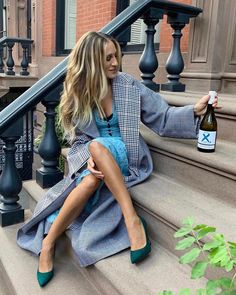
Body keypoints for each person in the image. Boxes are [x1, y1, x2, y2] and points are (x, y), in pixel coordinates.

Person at [17, 31, 218, 287]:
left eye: (116, 56)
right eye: (108, 58)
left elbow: (163, 118)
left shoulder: (129, 86)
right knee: (89, 180)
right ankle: (48, 244)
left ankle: (131, 219)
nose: (115, 63)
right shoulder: (80, 94)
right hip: (98, 159)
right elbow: (78, 141)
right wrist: (88, 156)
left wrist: (196, 111)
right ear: (91, 62)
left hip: (127, 156)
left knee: (99, 147)